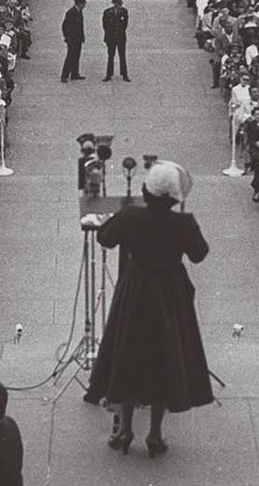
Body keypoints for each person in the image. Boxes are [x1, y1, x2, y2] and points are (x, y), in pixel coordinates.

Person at [85, 160, 213, 455]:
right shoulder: (183, 222)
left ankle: (126, 430)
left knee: (129, 352)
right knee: (164, 356)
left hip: (137, 288)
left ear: (146, 190)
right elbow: (199, 254)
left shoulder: (131, 216)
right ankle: (155, 433)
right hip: (169, 292)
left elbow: (105, 238)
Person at [102, 0, 130, 82]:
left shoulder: (124, 12)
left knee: (122, 57)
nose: (118, 6)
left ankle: (124, 74)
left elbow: (125, 24)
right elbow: (105, 25)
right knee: (111, 56)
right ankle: (109, 74)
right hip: (111, 38)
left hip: (121, 37)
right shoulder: (107, 12)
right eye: (116, 4)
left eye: (119, 4)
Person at [60, 0, 87, 82]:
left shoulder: (79, 11)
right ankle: (64, 75)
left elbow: (80, 26)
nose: (85, 5)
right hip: (72, 39)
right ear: (80, 3)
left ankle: (75, 73)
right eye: (84, 3)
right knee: (70, 57)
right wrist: (67, 37)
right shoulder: (71, 12)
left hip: (78, 38)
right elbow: (64, 26)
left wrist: (82, 37)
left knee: (76, 56)